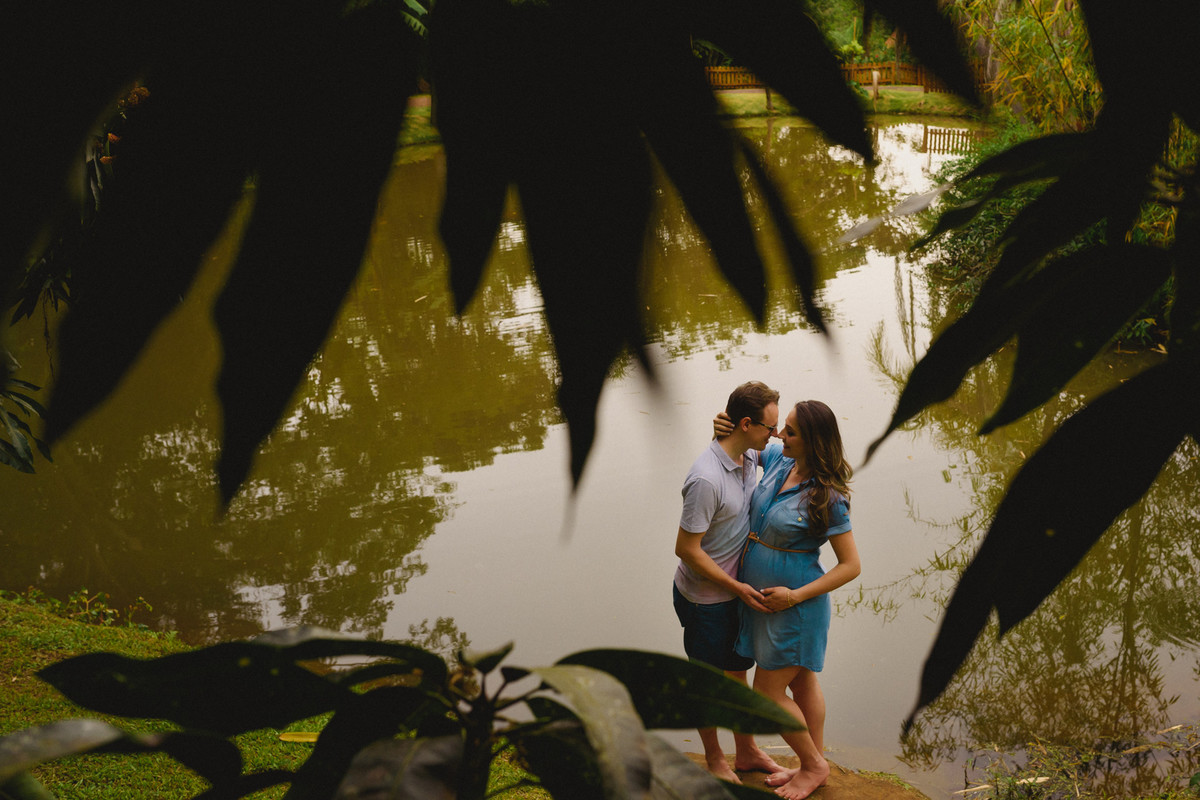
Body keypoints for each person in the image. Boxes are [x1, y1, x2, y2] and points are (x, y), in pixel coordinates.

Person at [714, 399, 861, 800]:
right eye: (783, 428)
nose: (780, 435)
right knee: (802, 682)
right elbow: (747, 439)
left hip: (795, 607)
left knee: (767, 693)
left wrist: (794, 597)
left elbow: (850, 566)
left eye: (790, 431)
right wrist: (723, 425)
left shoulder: (828, 497)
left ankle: (813, 765)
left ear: (813, 441)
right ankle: (811, 762)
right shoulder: (780, 459)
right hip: (762, 604)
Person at [673, 380, 786, 783]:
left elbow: (785, 450)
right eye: (769, 428)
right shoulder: (706, 479)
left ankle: (747, 752)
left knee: (738, 670)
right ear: (744, 424)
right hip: (705, 598)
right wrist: (736, 588)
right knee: (707, 680)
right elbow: (686, 548)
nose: (775, 436)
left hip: (737, 592)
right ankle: (715, 759)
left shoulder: (750, 454)